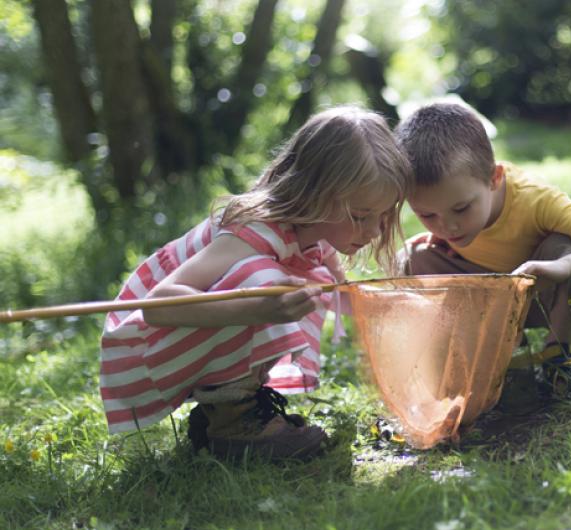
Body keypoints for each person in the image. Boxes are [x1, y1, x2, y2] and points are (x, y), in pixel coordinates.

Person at [100, 106, 412, 461]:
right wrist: (261, 307)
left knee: (309, 283)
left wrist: (391, 311)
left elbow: (344, 295)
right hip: (141, 348)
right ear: (315, 193)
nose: (373, 232)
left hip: (178, 342)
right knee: (269, 283)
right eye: (360, 216)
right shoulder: (253, 233)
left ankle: (224, 411)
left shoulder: (315, 231)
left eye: (382, 217)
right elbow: (158, 306)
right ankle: (233, 423)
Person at [395, 102, 571, 401]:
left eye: (461, 208)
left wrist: (565, 266)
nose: (446, 226)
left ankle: (560, 349)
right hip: (494, 297)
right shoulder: (450, 219)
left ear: (494, 178)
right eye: (427, 215)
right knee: (414, 257)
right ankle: (498, 351)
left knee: (566, 245)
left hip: (547, 295)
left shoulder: (535, 200)